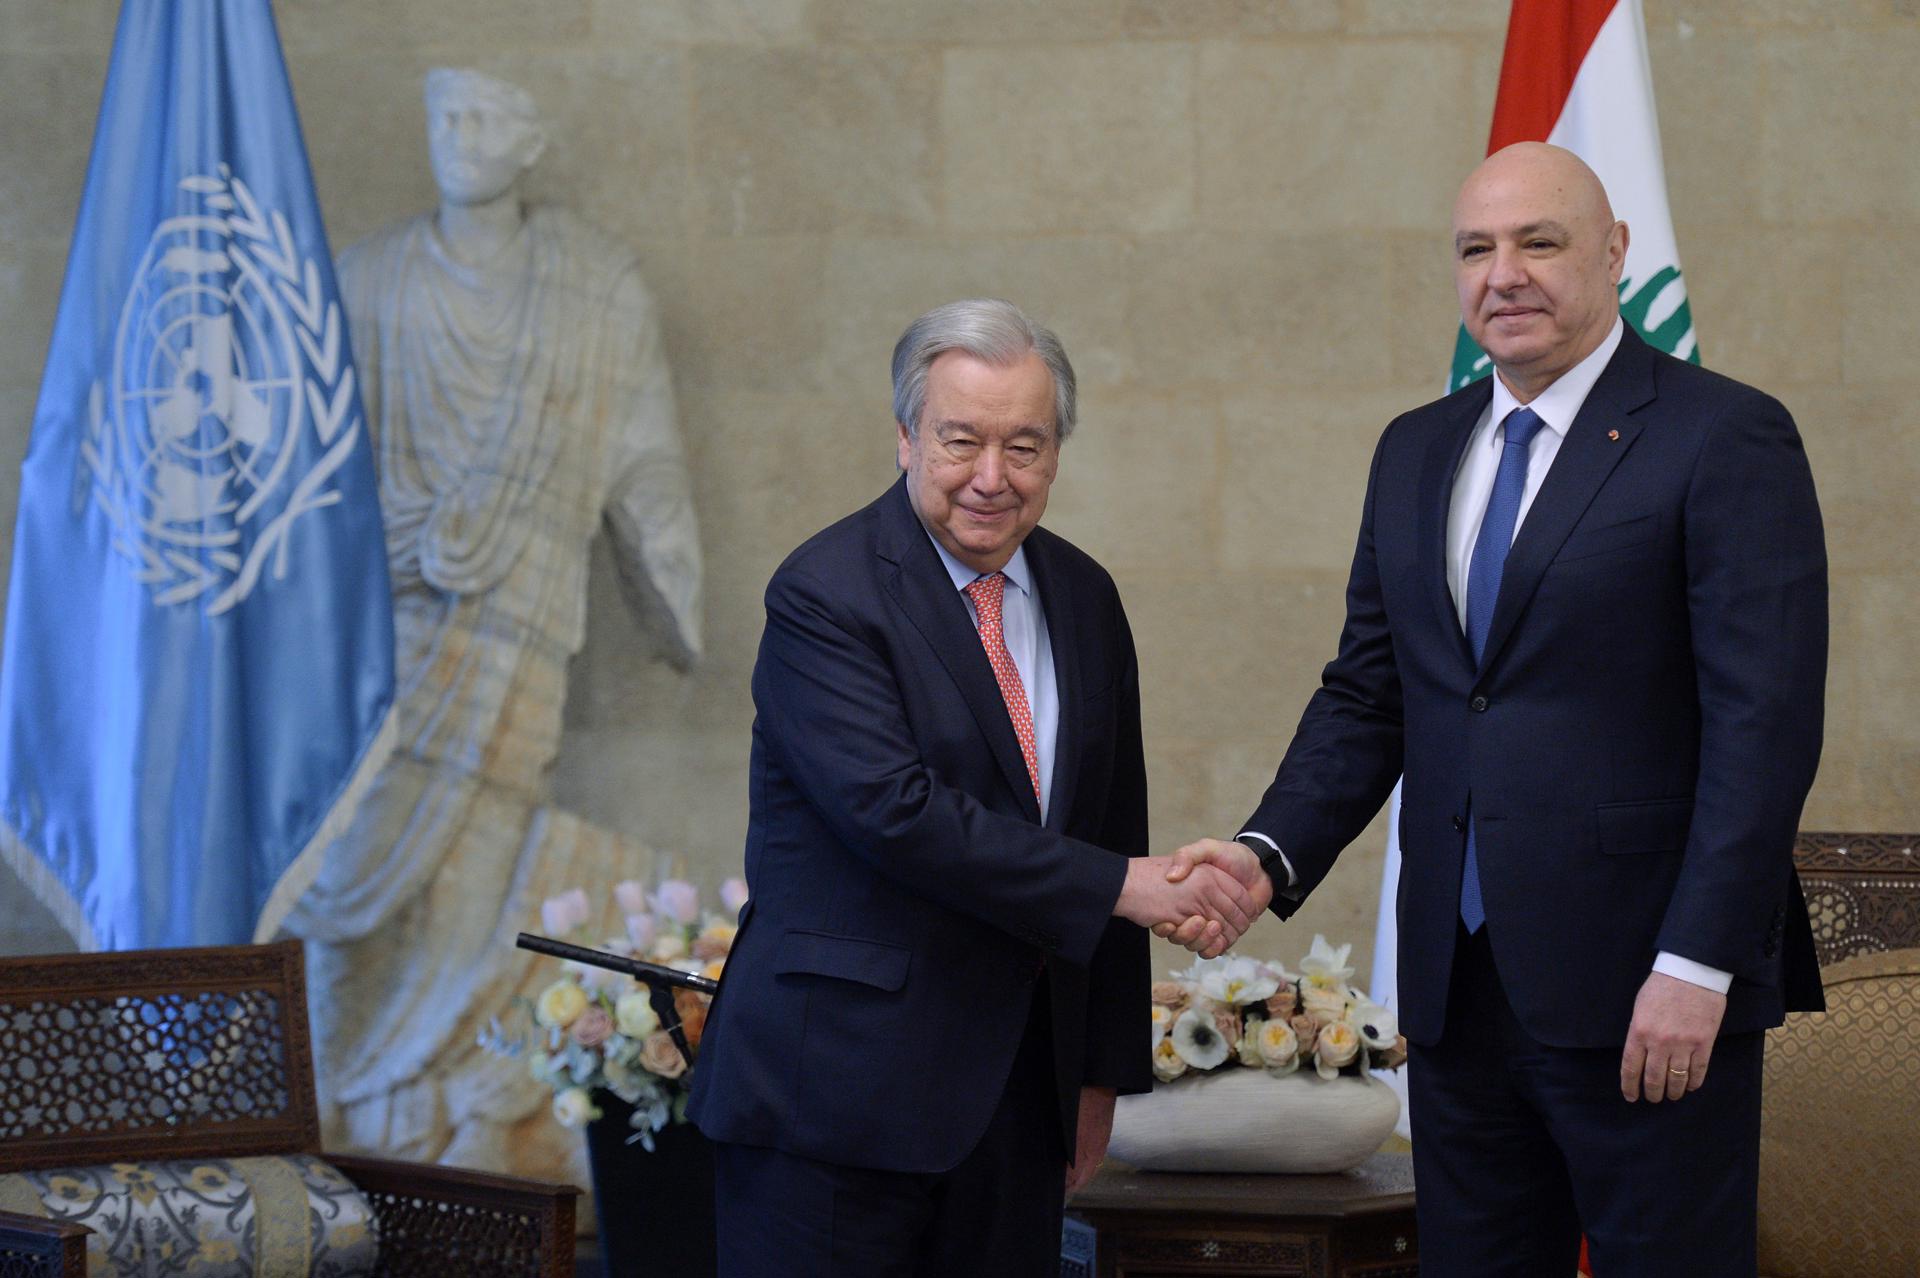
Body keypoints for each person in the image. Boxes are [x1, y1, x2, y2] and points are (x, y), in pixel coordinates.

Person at [1167, 143, 1827, 1276]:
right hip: (1457, 990)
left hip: (1647, 993)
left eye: (1540, 241)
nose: (1503, 273)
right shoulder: (1418, 449)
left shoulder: (1724, 435)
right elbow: (1372, 693)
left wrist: (1700, 963)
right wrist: (1266, 854)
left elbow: (1763, 727)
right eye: (1477, 248)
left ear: (1615, 254)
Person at [688, 299, 1258, 1275]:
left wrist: (1099, 1076)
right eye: (962, 441)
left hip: (1017, 1111)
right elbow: (895, 814)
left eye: (1025, 447)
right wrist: (1127, 883)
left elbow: (1114, 819)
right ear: (906, 437)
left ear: (1058, 452)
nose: (992, 479)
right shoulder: (825, 594)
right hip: (833, 1110)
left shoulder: (1084, 598)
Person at [282, 68, 702, 1178]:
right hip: (375, 645)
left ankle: (431, 1106)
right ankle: (335, 1104)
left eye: (487, 119)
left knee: (474, 853)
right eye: (445, 119)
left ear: (530, 144)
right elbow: (303, 469)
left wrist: (672, 586)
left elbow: (646, 455)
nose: (461, 138)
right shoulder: (367, 279)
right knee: (346, 882)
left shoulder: (593, 287)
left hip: (516, 625)